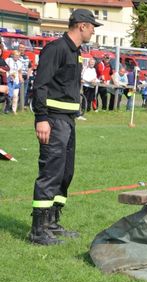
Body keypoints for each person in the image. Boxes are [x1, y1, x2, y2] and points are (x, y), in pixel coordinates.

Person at [30, 9, 102, 245]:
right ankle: (38, 230)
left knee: (65, 173)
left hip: (68, 120)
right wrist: (41, 118)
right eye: (92, 27)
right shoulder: (56, 49)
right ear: (81, 26)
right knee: (50, 172)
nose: (93, 31)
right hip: (52, 119)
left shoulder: (76, 52)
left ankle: (52, 222)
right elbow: (40, 84)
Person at [5, 50, 23, 114]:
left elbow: (20, 72)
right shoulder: (8, 60)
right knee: (9, 96)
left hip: (16, 81)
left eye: (18, 55)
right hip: (9, 80)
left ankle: (14, 110)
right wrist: (8, 75)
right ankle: (5, 109)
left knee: (15, 96)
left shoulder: (20, 63)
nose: (16, 57)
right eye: (15, 55)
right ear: (12, 55)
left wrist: (21, 79)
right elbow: (4, 68)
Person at [17, 44, 33, 110]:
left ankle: (21, 106)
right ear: (18, 48)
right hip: (17, 77)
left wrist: (28, 75)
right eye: (20, 47)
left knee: (24, 92)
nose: (22, 49)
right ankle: (12, 106)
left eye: (23, 47)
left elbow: (30, 67)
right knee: (16, 92)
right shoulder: (15, 55)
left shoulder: (26, 57)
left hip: (25, 77)